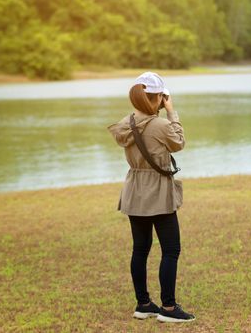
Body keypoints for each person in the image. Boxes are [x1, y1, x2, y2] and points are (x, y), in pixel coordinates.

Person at [107, 72, 195, 323]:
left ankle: (143, 304)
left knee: (140, 249)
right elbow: (178, 142)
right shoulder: (161, 125)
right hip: (157, 191)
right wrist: (171, 111)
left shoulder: (126, 123)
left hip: (135, 189)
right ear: (156, 98)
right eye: (160, 96)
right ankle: (168, 308)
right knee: (171, 249)